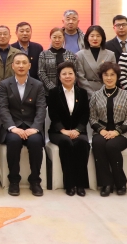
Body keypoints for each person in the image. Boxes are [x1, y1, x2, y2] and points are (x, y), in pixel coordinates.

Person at [0, 53, 46, 197]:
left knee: (36, 142)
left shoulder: (38, 85)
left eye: (24, 63)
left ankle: (35, 180)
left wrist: (35, 128)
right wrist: (13, 128)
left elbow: (41, 108)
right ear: (12, 66)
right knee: (13, 141)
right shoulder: (4, 84)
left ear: (29, 66)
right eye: (17, 63)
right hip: (13, 126)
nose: (21, 65)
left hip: (32, 126)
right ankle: (14, 180)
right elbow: (3, 108)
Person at [89, 62, 127, 197]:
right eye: (106, 75)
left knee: (112, 146)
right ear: (101, 77)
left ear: (117, 77)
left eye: (112, 75)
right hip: (102, 131)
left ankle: (120, 183)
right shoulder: (95, 95)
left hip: (123, 132)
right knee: (98, 144)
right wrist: (101, 131)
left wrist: (117, 132)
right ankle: (106, 183)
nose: (109, 78)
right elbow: (92, 118)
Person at [46, 62, 90, 196]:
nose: (67, 76)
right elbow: (53, 115)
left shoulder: (82, 93)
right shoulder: (53, 93)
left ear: (75, 76)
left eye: (70, 73)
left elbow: (85, 114)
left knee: (82, 143)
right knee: (66, 142)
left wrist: (78, 130)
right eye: (64, 74)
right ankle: (69, 184)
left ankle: (81, 184)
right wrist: (63, 130)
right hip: (58, 132)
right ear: (59, 77)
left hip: (78, 130)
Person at [75, 25, 116, 98]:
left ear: (102, 38)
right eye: (92, 36)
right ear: (87, 38)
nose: (95, 38)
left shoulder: (111, 54)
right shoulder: (79, 55)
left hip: (106, 91)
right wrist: (92, 94)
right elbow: (80, 77)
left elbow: (113, 75)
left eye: (98, 36)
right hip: (86, 92)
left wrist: (103, 92)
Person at [38, 27, 77, 93]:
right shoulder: (44, 54)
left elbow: (75, 72)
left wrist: (68, 85)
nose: (57, 40)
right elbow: (41, 73)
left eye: (60, 37)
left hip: (68, 90)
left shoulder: (70, 54)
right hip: (49, 92)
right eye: (54, 37)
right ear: (50, 38)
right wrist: (52, 88)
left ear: (63, 38)